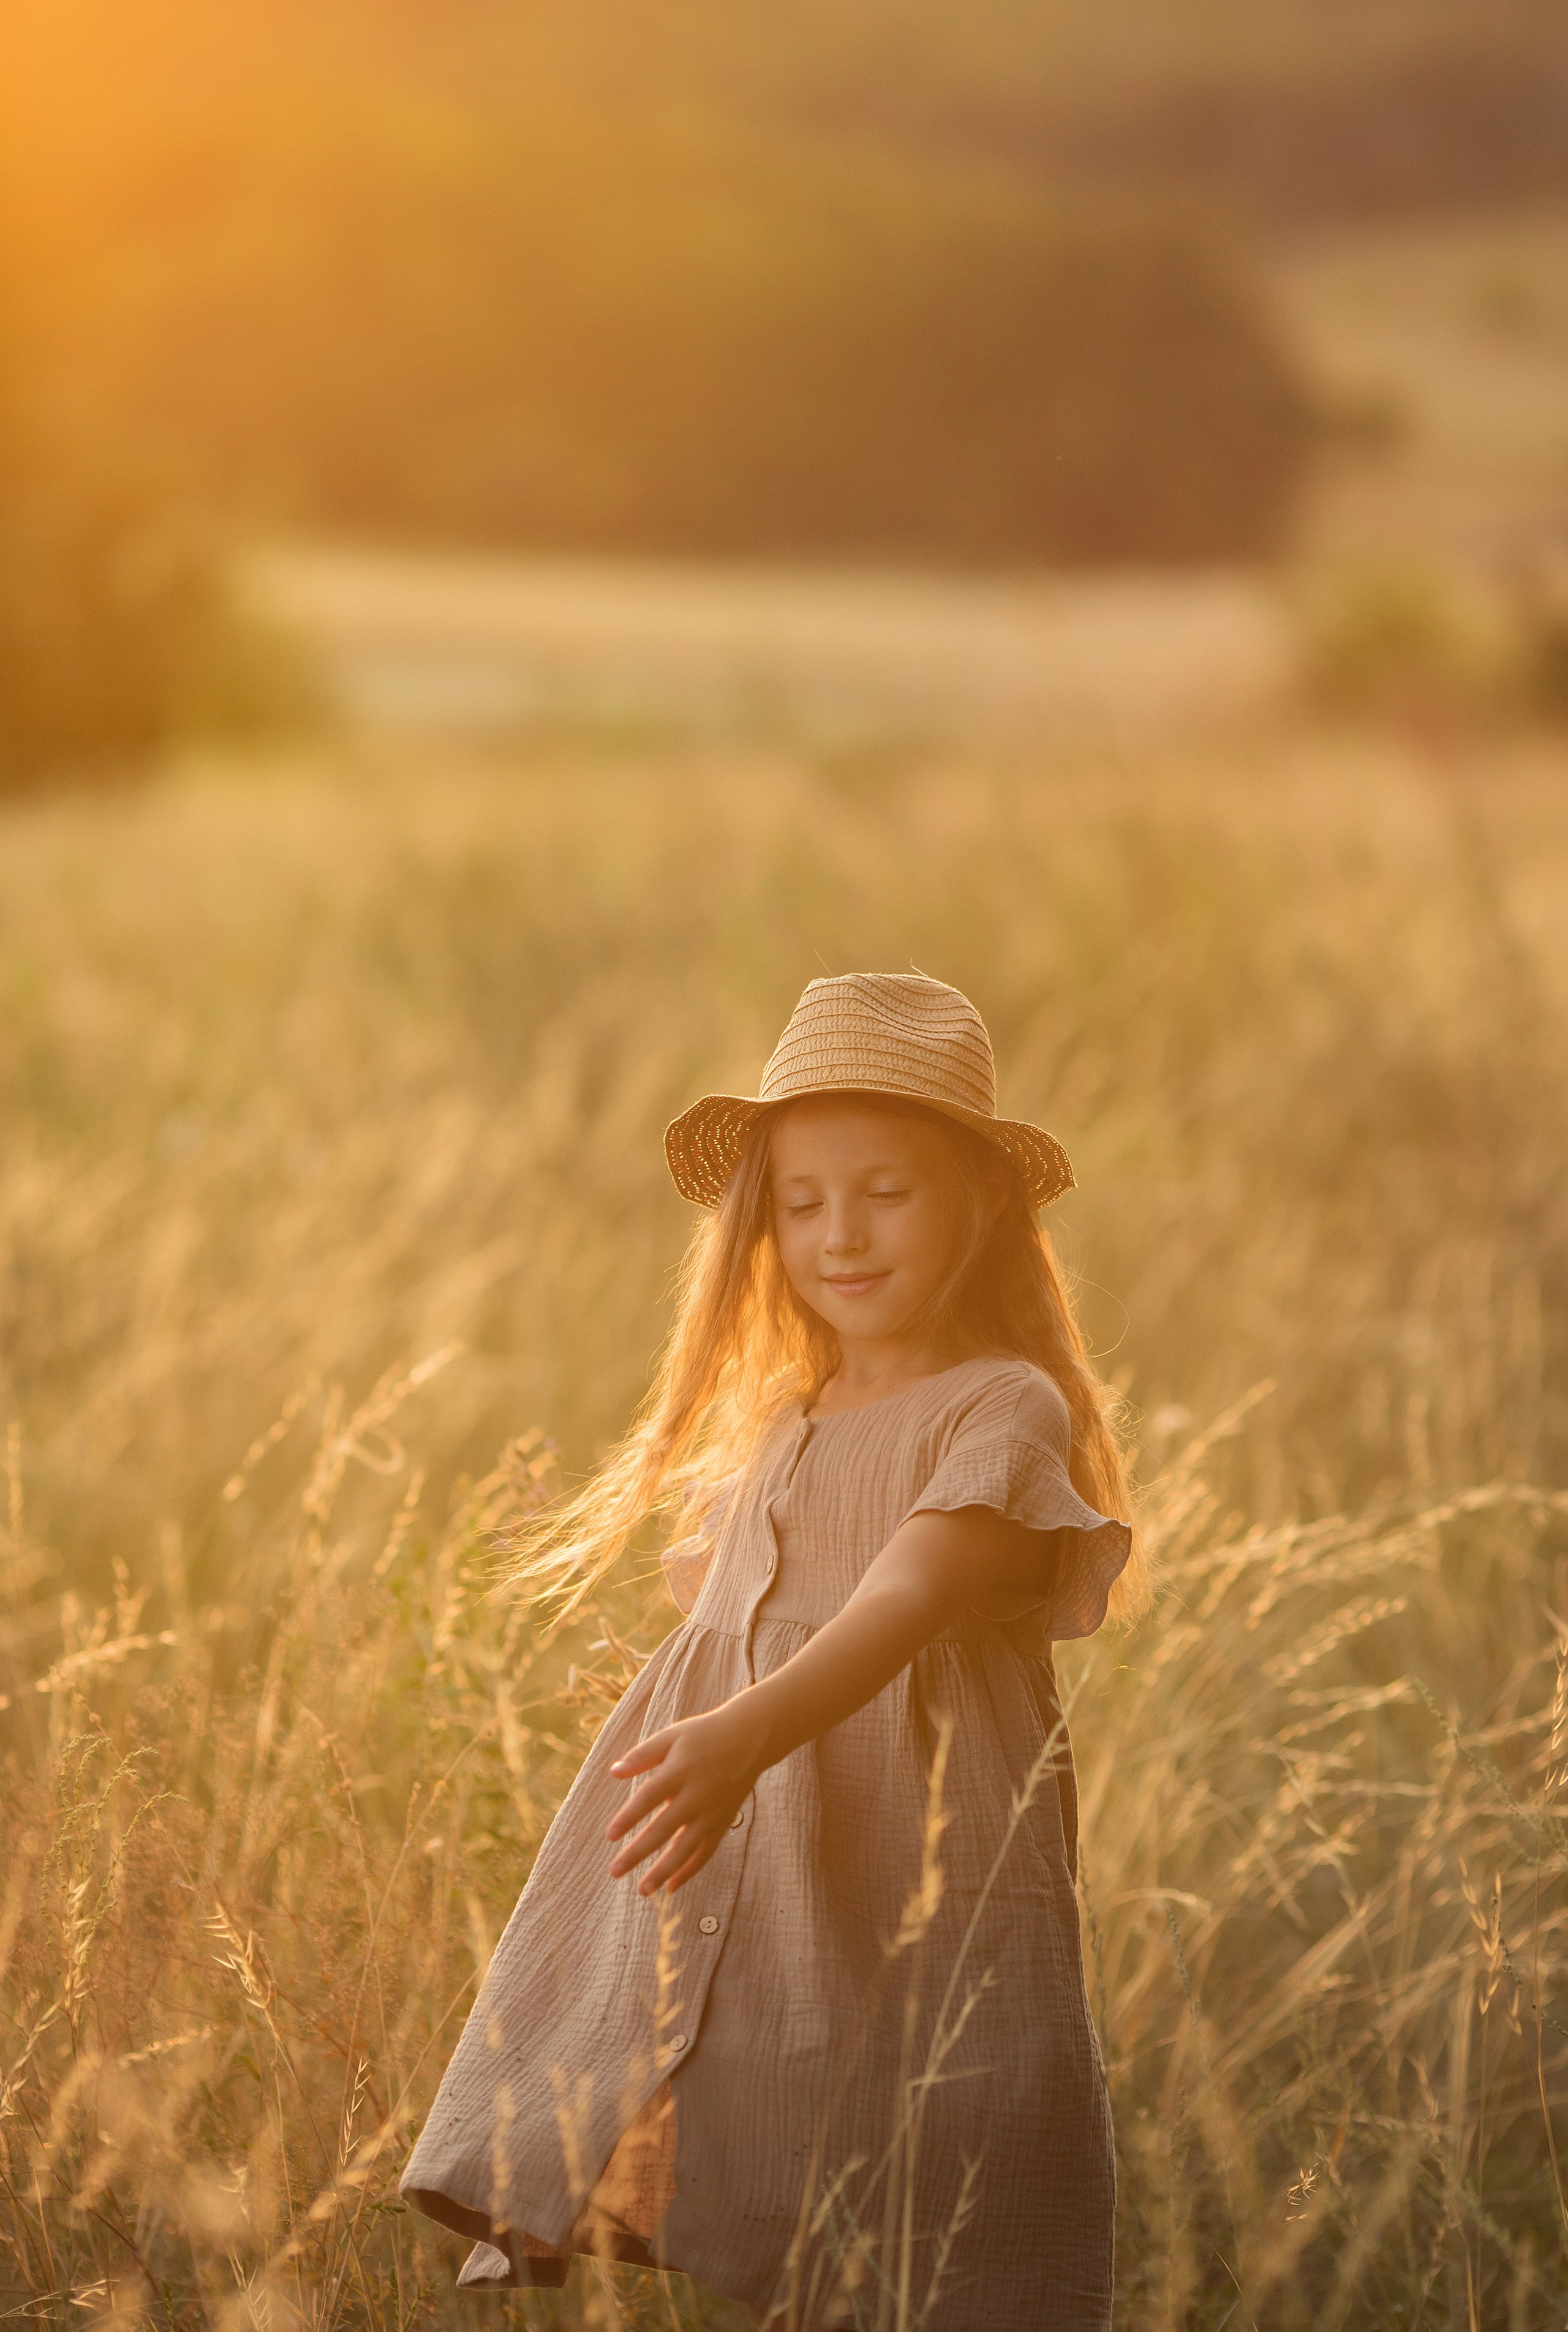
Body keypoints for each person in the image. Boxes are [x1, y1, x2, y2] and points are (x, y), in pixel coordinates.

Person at [400, 972, 1145, 2331]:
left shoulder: (997, 1404)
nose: (838, 1235)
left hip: (920, 1864)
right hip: (763, 1870)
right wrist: (705, 1687)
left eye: (885, 1193)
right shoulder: (787, 1419)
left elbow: (904, 1594)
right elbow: (730, 1602)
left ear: (979, 1205)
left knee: (943, 2144)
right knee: (784, 2139)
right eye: (800, 1203)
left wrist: (744, 1733)